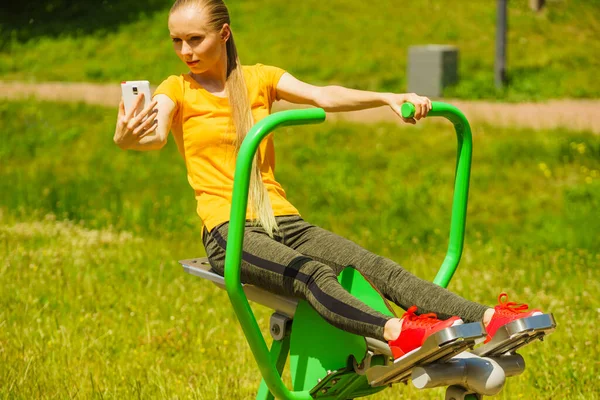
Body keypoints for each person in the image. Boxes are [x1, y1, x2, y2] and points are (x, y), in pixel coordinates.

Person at [113, 0, 543, 360]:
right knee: (313, 273)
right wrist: (130, 137)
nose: (185, 51)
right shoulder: (178, 88)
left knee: (374, 266)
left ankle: (487, 319)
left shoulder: (258, 78)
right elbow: (154, 132)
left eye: (195, 39)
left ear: (223, 34)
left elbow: (324, 94)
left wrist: (387, 98)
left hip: (282, 219)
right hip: (227, 229)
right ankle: (399, 334)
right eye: (176, 41)